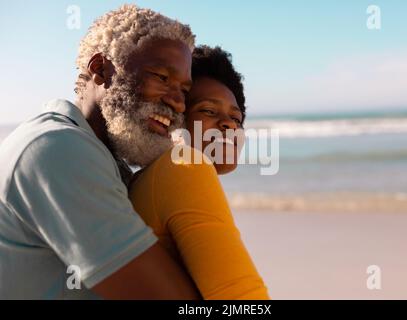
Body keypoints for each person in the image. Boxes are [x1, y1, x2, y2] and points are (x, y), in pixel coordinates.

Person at [0, 4, 200, 299]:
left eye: (184, 90)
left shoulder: (99, 154)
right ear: (100, 70)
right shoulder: (60, 150)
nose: (178, 102)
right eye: (161, 77)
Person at [129, 46, 270, 299]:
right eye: (208, 110)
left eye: (236, 119)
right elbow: (241, 299)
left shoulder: (152, 177)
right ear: (175, 119)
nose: (228, 124)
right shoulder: (185, 166)